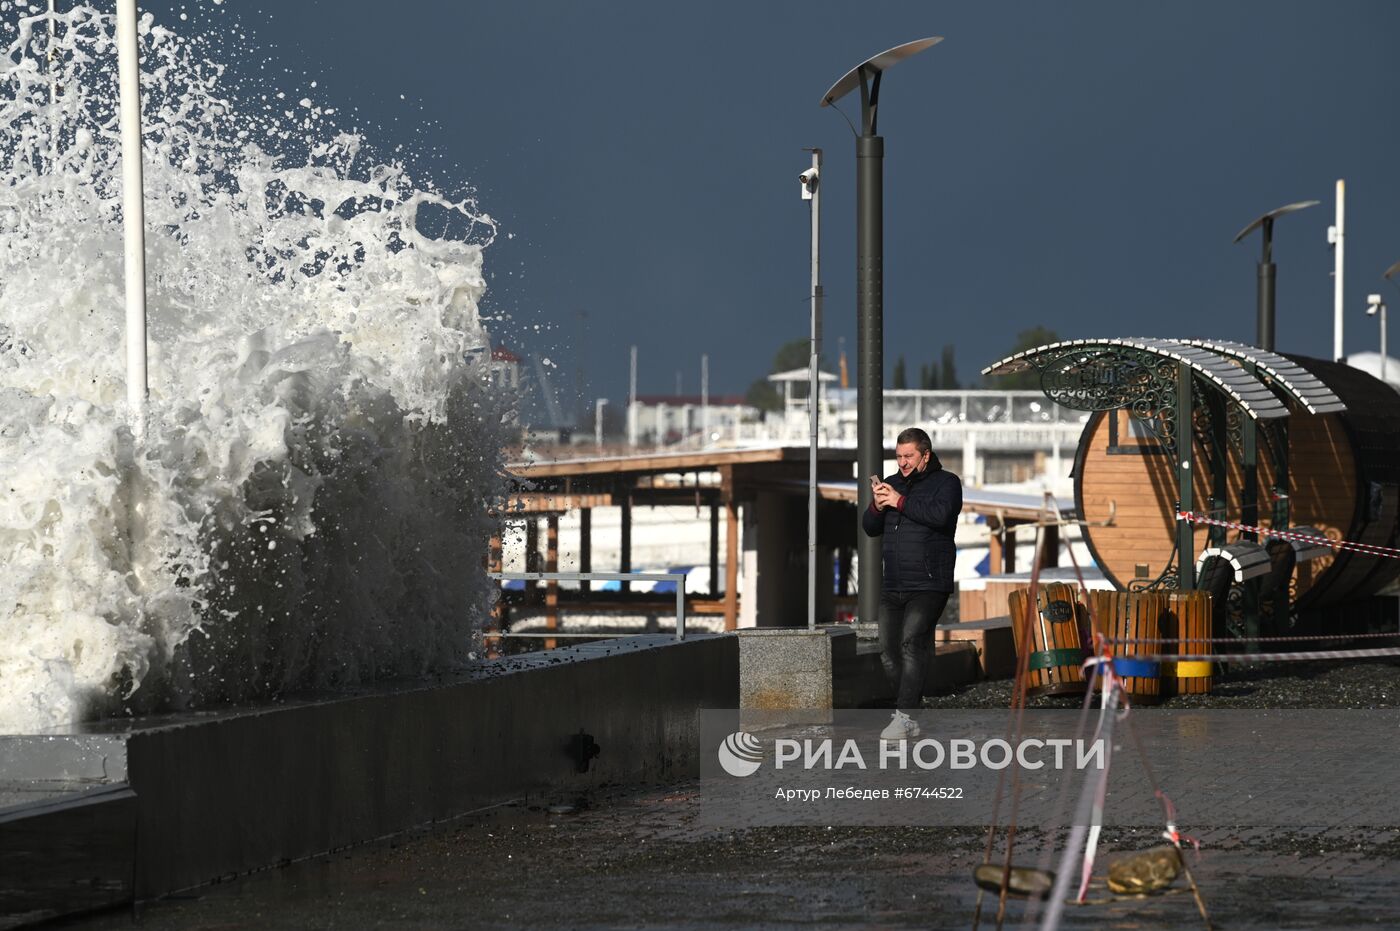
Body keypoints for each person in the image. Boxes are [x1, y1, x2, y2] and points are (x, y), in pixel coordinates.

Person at [861, 427, 963, 741]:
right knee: (887, 652)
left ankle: (904, 715)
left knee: (911, 643)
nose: (903, 462)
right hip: (893, 582)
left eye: (909, 456)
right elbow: (869, 528)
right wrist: (877, 506)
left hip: (930, 581)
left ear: (925, 455)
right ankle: (910, 712)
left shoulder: (946, 483)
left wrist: (900, 501)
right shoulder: (891, 485)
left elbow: (940, 516)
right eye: (899, 456)